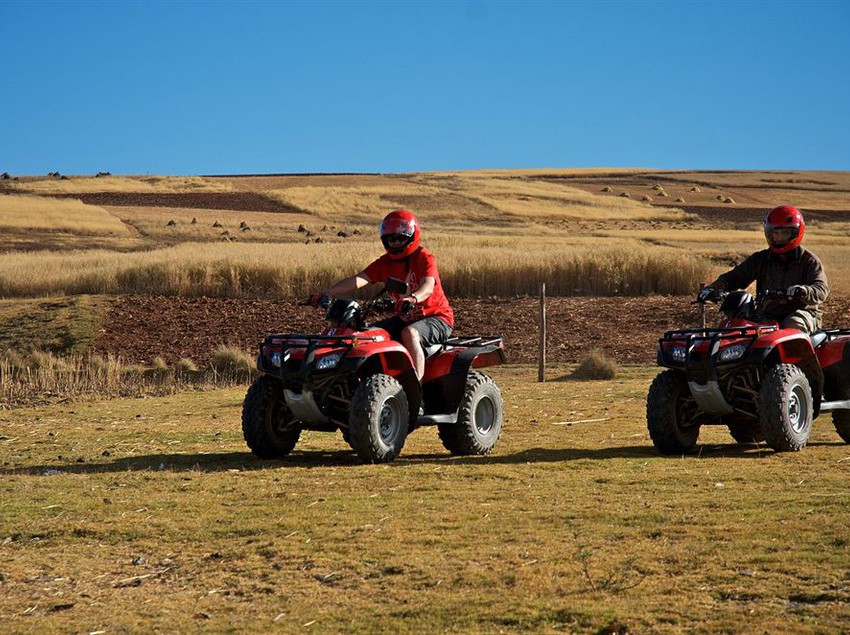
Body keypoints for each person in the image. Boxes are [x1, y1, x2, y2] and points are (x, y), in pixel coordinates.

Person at [312, 209, 454, 380]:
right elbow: (359, 279)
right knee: (369, 335)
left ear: (411, 237)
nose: (394, 242)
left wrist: (413, 298)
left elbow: (428, 286)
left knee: (410, 334)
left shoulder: (424, 258)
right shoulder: (385, 263)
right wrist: (328, 293)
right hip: (404, 319)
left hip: (437, 318)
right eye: (390, 238)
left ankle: (415, 389)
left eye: (400, 238)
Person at [698, 205, 828, 333]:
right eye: (775, 233)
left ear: (796, 232)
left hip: (801, 314)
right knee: (739, 328)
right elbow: (736, 276)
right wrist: (714, 288)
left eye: (784, 233)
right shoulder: (761, 259)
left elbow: (821, 289)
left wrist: (804, 291)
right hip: (766, 315)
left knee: (793, 326)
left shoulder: (809, 261)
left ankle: (801, 355)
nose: (779, 238)